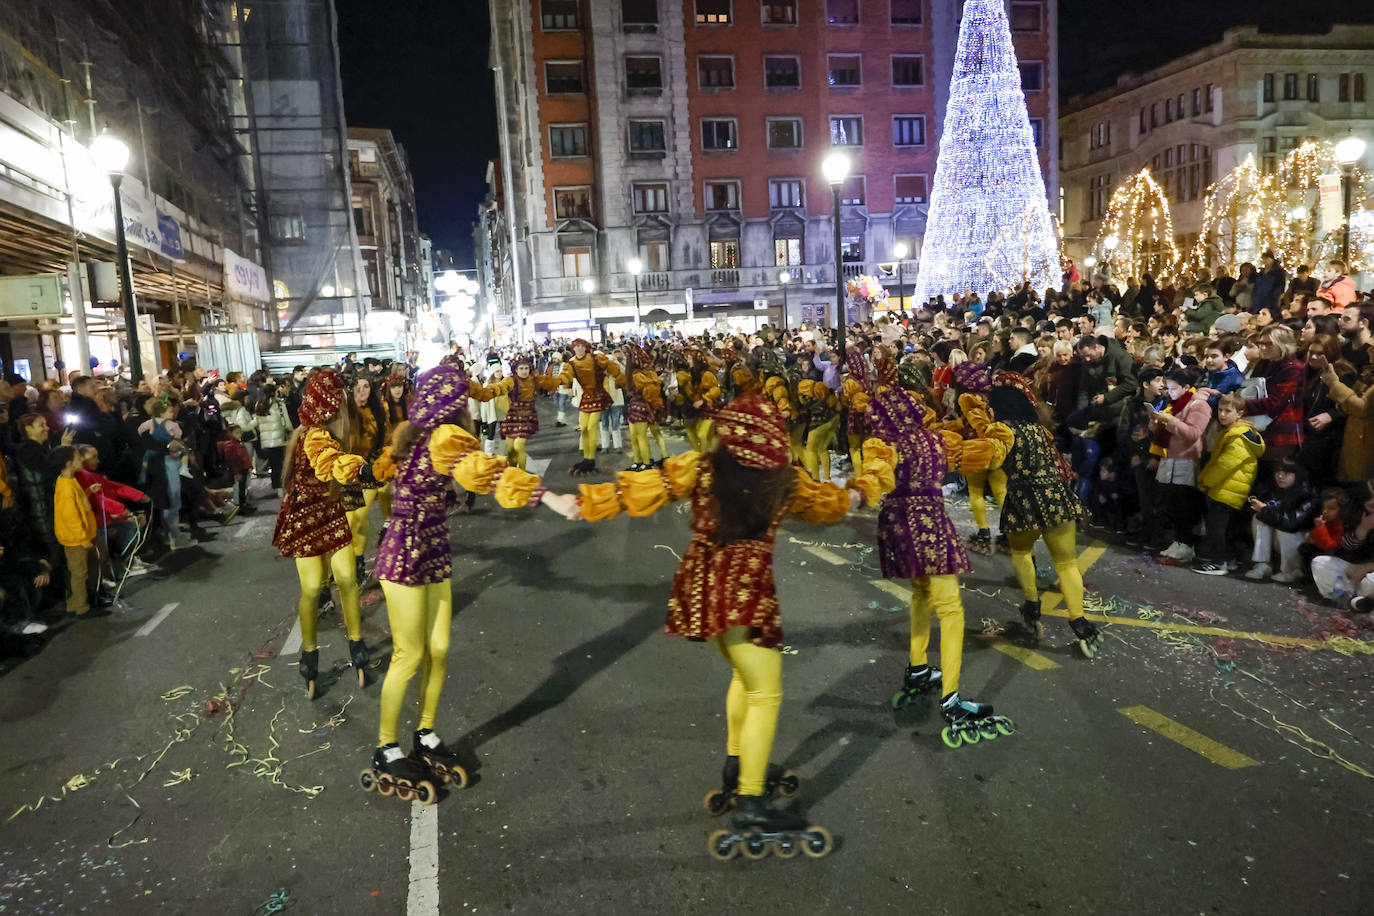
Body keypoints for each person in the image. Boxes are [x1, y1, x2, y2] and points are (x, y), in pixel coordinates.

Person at [546, 394, 859, 858]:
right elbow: (833, 504)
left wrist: (584, 503)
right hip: (745, 593)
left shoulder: (702, 465)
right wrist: (863, 488)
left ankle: (739, 765)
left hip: (700, 584)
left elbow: (644, 488)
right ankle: (752, 802)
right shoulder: (786, 481)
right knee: (766, 692)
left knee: (744, 678)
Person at [359, 361, 580, 802]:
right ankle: (386, 747)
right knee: (411, 652)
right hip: (404, 552)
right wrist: (549, 496)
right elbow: (488, 472)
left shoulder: (416, 433)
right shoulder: (440, 436)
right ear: (453, 403)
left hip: (434, 550)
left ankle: (424, 733)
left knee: (438, 649)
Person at [858, 385, 1016, 747]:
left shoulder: (884, 443)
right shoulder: (935, 440)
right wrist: (997, 430)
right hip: (927, 524)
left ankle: (917, 668)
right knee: (950, 609)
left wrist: (856, 492)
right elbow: (986, 455)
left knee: (920, 594)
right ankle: (951, 698)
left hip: (896, 523)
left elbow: (875, 471)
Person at [271, 369, 377, 698]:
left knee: (346, 578)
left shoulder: (337, 431)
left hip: (332, 511)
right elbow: (327, 460)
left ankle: (357, 644)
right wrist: (360, 471)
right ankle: (309, 652)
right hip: (305, 516)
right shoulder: (312, 436)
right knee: (313, 586)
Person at [987, 375, 1103, 657]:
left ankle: (1031, 606)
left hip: (1023, 501)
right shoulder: (1038, 429)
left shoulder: (1000, 430)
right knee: (1066, 564)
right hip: (1056, 499)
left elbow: (990, 462)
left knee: (1022, 552)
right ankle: (1081, 624)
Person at [1192, 393, 1265, 575]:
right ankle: (1228, 559)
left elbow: (1224, 464)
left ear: (1239, 413)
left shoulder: (1238, 436)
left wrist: (1205, 481)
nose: (1222, 414)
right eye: (1220, 410)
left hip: (1228, 489)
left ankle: (1219, 562)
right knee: (1223, 526)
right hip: (1229, 488)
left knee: (1217, 527)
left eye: (1228, 411)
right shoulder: (1236, 432)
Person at [556, 339, 627, 474]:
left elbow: (612, 367)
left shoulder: (595, 358)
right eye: (577, 347)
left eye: (582, 346)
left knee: (592, 427)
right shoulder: (571, 363)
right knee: (584, 428)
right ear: (573, 349)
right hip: (585, 397)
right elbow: (565, 377)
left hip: (598, 396)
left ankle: (591, 458)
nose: (580, 349)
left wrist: (619, 378)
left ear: (586, 347)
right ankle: (586, 458)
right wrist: (556, 382)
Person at [53, 445, 105, 617]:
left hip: (81, 536)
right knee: (79, 573)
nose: (81, 460)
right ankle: (81, 608)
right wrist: (83, 540)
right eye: (77, 457)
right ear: (69, 463)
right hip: (76, 539)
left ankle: (77, 602)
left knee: (83, 570)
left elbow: (79, 504)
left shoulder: (69, 480)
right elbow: (71, 517)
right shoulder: (66, 487)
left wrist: (89, 491)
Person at [1246, 459, 1317, 583]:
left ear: (1298, 475)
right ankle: (1263, 564)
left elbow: (1290, 524)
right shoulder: (1275, 490)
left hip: (1300, 542)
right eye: (1277, 472)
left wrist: (1264, 509)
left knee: (1280, 526)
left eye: (1287, 473)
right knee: (1259, 518)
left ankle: (1293, 570)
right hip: (1280, 540)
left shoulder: (1307, 494)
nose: (1280, 476)